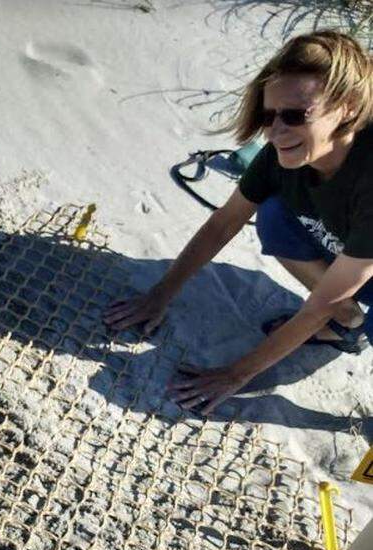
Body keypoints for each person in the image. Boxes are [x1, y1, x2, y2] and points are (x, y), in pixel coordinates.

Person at [106, 30, 373, 414]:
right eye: (268, 115)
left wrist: (234, 375)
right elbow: (223, 224)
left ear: (348, 107)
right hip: (348, 249)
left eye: (295, 115)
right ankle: (347, 321)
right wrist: (160, 295)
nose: (276, 131)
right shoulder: (279, 155)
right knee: (274, 215)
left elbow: (318, 306)